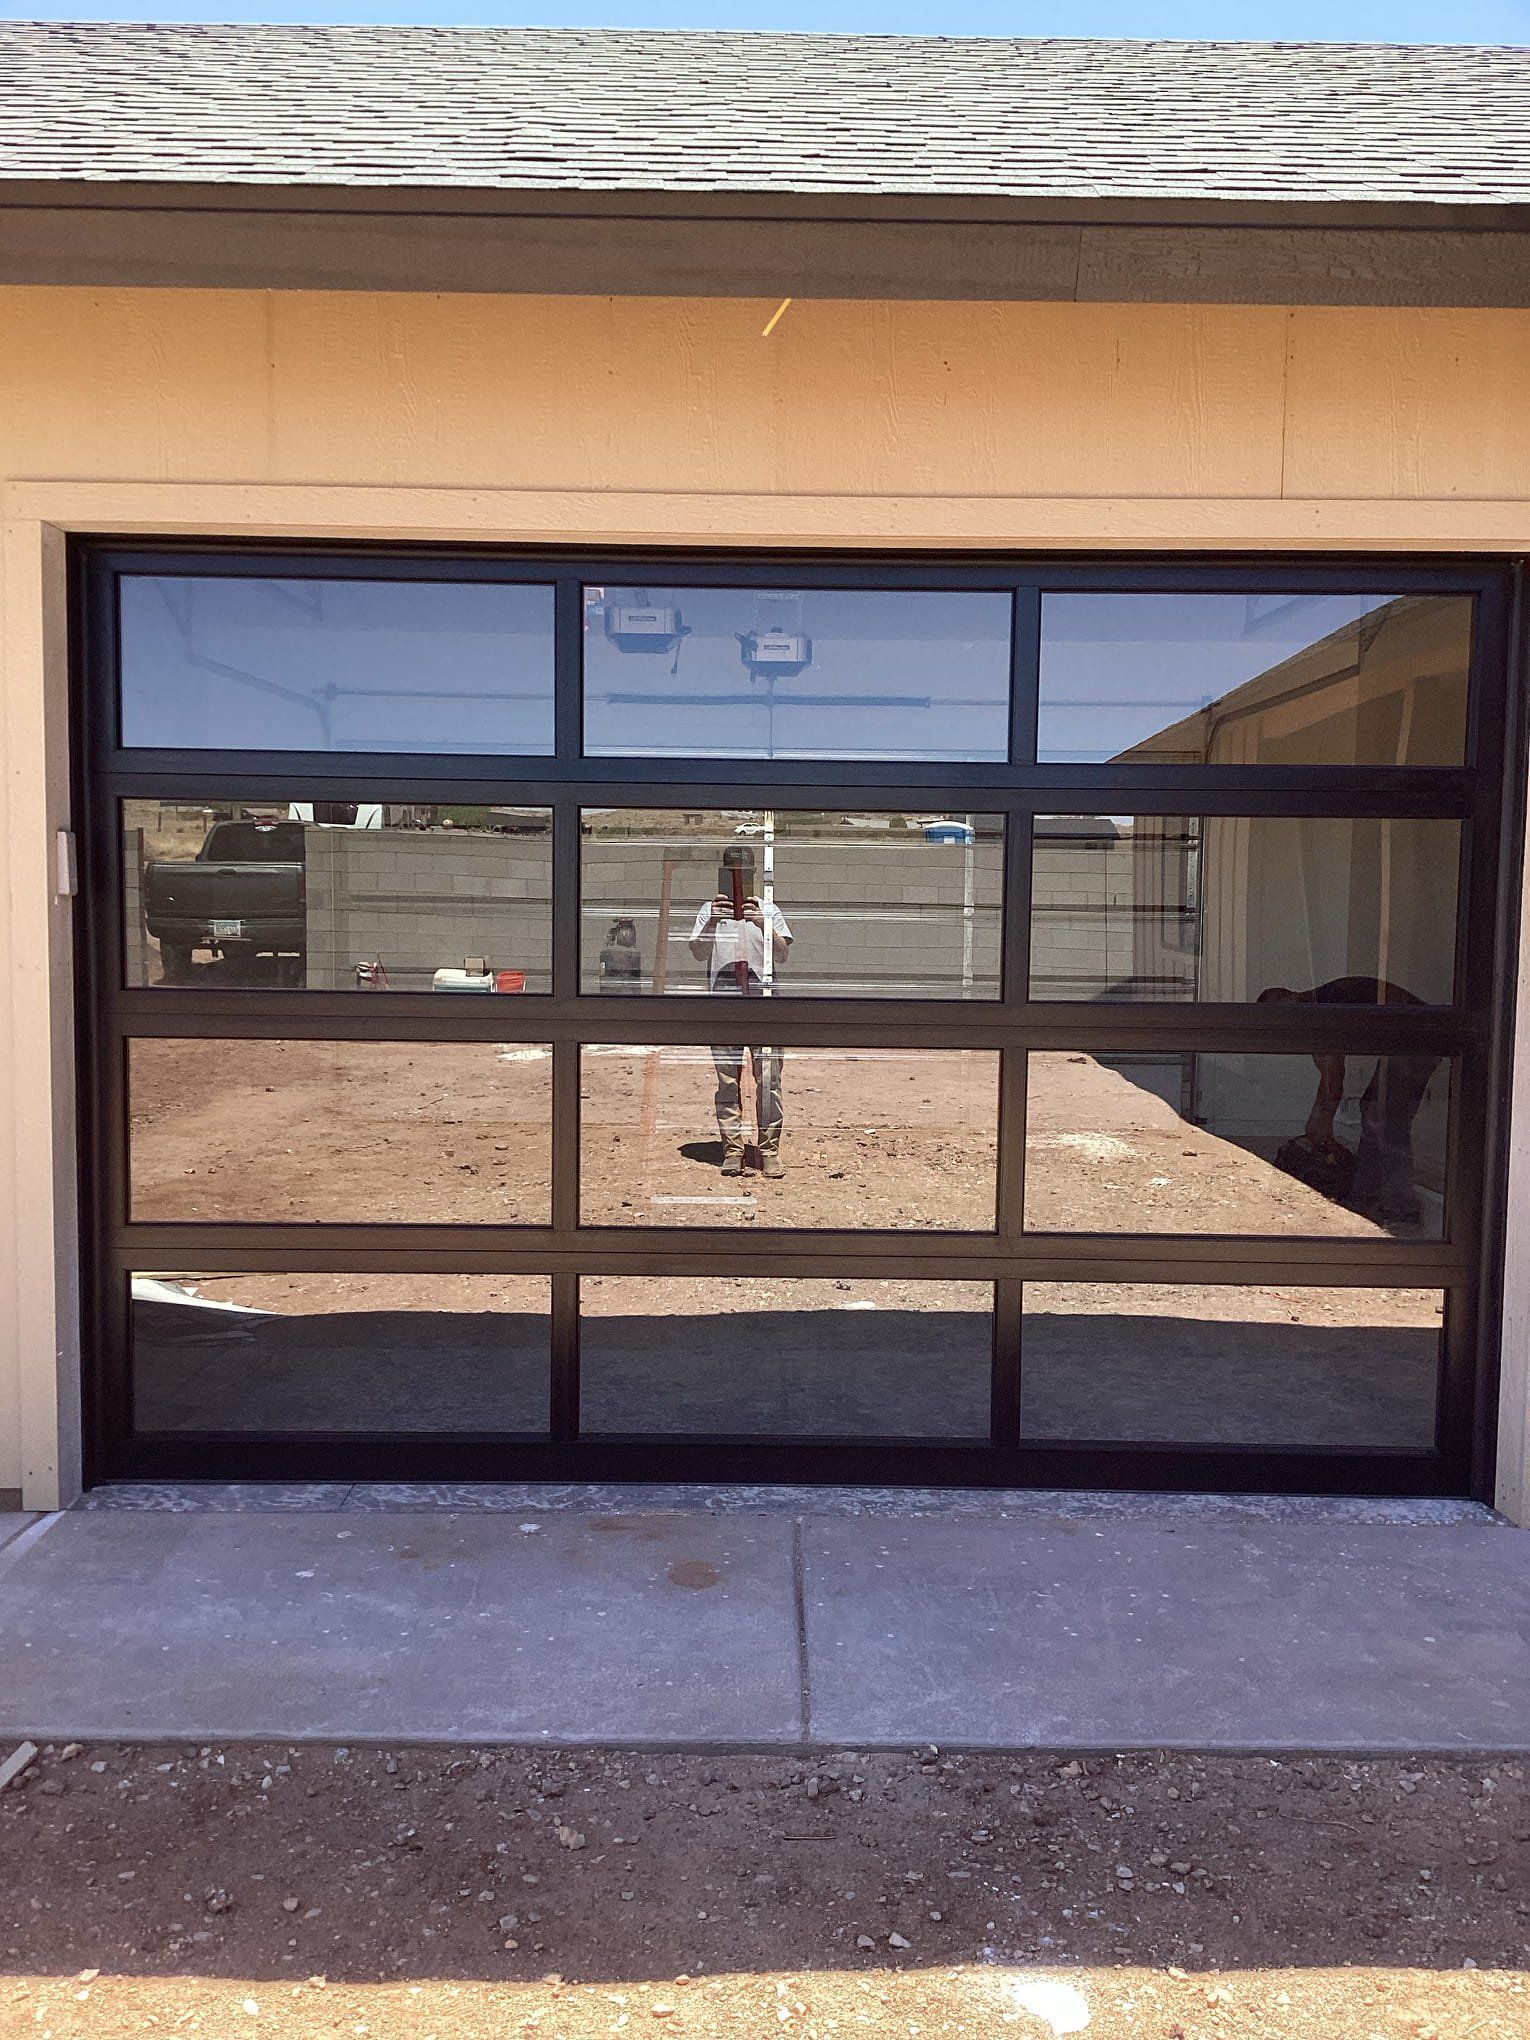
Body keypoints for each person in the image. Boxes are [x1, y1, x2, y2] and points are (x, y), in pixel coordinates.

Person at [1256, 976, 1441, 1232]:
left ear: (1288, 1002)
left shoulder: (1322, 1009)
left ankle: (1399, 1208)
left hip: (1420, 1036)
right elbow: (1330, 1078)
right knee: (1373, 1109)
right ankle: (1367, 1196)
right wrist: (1319, 1123)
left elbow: (1334, 1078)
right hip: (1410, 1038)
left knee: (1388, 1119)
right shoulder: (1320, 1005)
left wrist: (1319, 1125)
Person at [689, 848, 793, 1179]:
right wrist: (714, 921)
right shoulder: (709, 910)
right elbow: (698, 952)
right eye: (732, 871)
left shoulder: (769, 909)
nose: (738, 878)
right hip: (723, 1005)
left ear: (753, 874)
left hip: (764, 1006)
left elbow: (782, 955)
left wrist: (763, 924)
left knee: (769, 1081)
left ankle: (768, 1150)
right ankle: (732, 1150)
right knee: (727, 1081)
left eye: (744, 871)